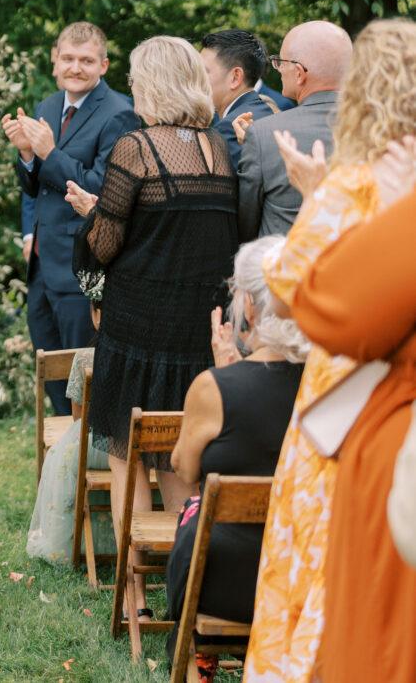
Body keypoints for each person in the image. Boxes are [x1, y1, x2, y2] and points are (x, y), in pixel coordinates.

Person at [244, 18, 416, 682]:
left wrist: (317, 201)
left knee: (329, 557)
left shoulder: (356, 183)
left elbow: (292, 295)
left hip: (357, 401)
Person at [67, 35, 237, 621]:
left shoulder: (136, 147)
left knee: (126, 454)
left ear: (151, 85)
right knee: (178, 459)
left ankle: (134, 598)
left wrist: (91, 220)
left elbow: (108, 242)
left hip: (138, 325)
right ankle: (186, 583)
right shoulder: (219, 149)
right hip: (197, 328)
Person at [165, 236, 308, 679]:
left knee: (192, 513)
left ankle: (197, 654)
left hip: (222, 583)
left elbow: (184, 470)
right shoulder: (326, 387)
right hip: (299, 578)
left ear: (249, 308)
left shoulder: (213, 388)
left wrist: (225, 379)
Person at [2, 22, 139, 415]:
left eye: (86, 60)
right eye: (68, 58)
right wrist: (27, 155)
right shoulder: (47, 106)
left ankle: (84, 461)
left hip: (85, 263)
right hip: (44, 266)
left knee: (83, 377)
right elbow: (36, 188)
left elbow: (100, 190)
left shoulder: (120, 113)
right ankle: (64, 456)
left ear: (104, 65)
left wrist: (48, 153)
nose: (76, 67)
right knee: (51, 371)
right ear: (54, 60)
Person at [236, 20, 350, 240]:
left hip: (286, 266)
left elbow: (245, 226)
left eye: (280, 62)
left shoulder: (263, 134)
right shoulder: (383, 131)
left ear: (299, 73)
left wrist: (257, 145)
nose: (278, 69)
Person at [26, 270, 109, 564]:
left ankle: (69, 541)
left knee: (62, 457)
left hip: (97, 450)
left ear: (96, 315)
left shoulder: (85, 360)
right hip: (140, 451)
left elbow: (79, 421)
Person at [198, 29, 274, 170]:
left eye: (203, 72)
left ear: (235, 77)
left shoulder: (229, 128)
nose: (197, 79)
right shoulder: (265, 111)